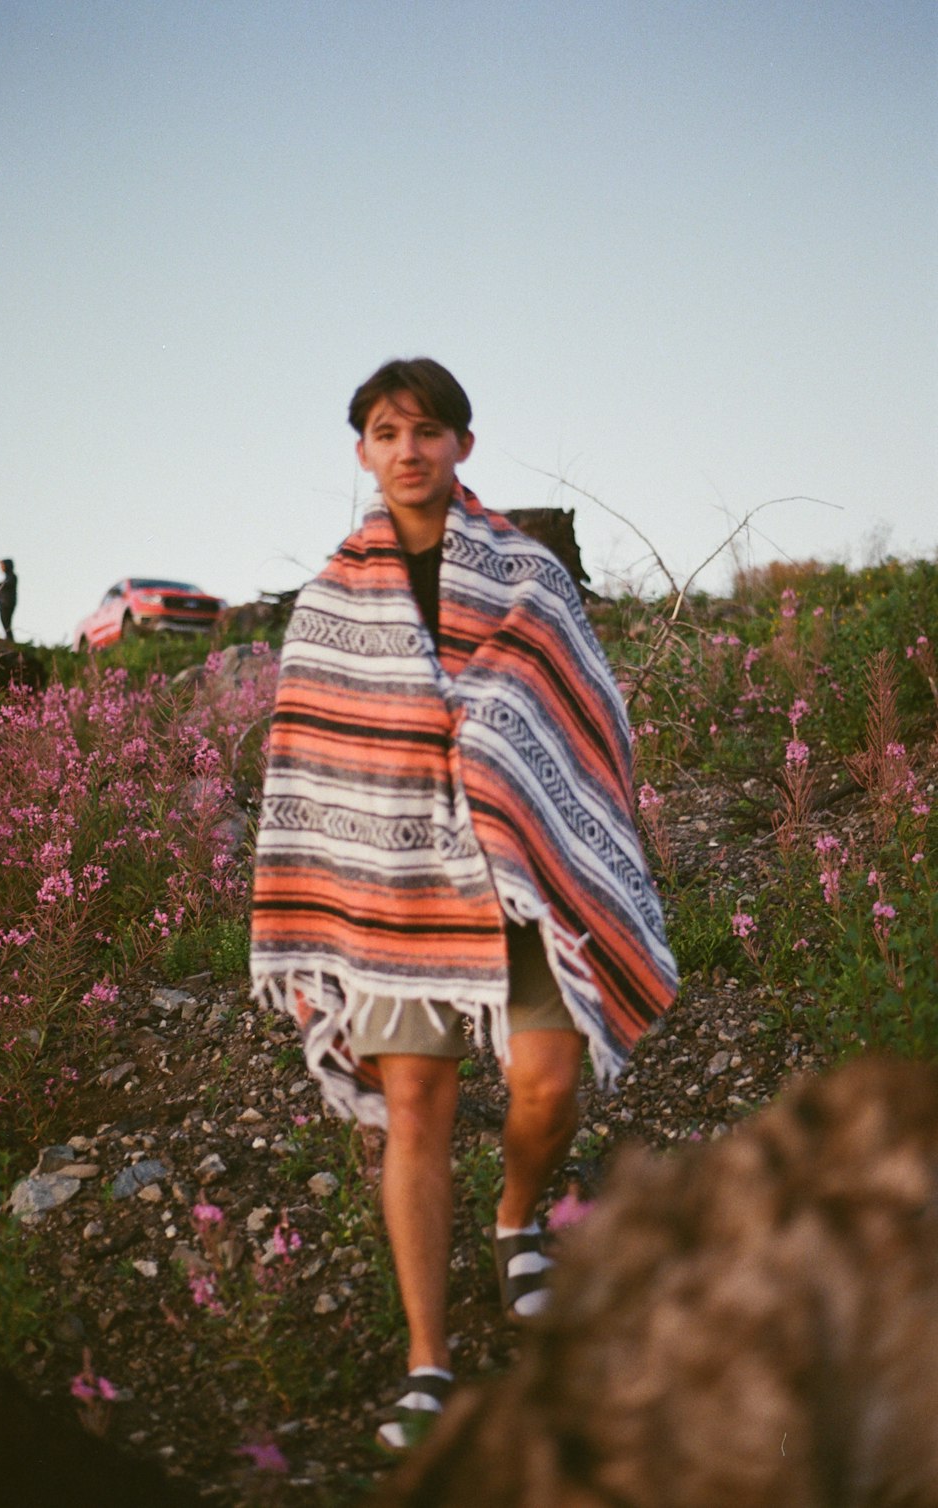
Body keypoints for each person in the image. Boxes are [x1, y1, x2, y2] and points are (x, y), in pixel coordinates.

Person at [251, 358, 677, 1452]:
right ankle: (426, 1359)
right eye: (388, 431)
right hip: (391, 890)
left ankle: (516, 1213)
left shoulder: (530, 573)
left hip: (522, 868)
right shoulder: (330, 600)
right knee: (419, 1110)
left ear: (462, 447)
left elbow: (584, 712)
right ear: (362, 451)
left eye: (429, 429)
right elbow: (312, 759)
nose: (409, 449)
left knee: (544, 1082)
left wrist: (486, 733)